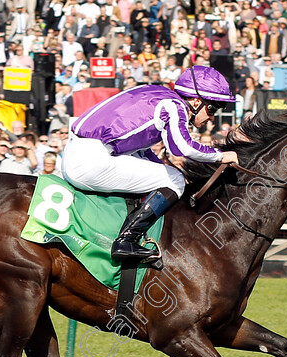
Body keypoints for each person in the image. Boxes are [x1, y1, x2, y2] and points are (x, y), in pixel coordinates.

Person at [63, 65, 239, 261]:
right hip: (90, 161)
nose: (212, 116)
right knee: (176, 180)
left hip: (75, 153)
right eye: (212, 108)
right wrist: (221, 155)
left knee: (168, 175)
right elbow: (182, 147)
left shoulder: (153, 92)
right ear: (196, 101)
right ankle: (126, 240)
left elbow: (141, 150)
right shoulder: (174, 105)